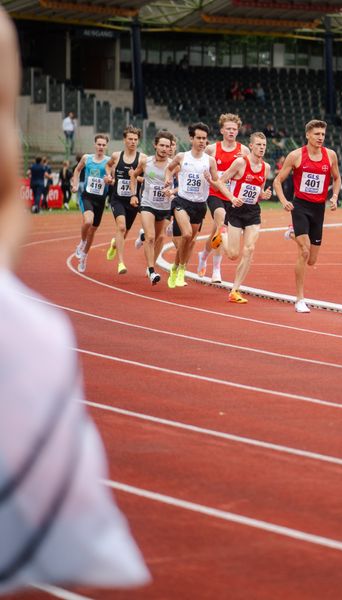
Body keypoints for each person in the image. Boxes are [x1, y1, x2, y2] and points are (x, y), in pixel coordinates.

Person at [0, 6, 150, 594]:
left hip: (122, 205)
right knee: (89, 226)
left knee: (109, 227)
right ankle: (92, 249)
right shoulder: (30, 340)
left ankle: (105, 247)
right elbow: (89, 553)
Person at [273, 119, 341, 313]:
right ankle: (300, 298)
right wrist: (284, 200)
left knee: (312, 260)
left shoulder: (330, 155)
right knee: (303, 252)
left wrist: (334, 196)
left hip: (319, 209)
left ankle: (292, 233)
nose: (320, 138)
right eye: (317, 134)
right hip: (300, 207)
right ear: (308, 135)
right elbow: (278, 181)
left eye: (323, 134)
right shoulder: (295, 156)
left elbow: (337, 178)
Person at [210, 132, 272, 304]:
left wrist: (263, 194)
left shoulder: (266, 167)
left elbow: (258, 190)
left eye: (264, 145)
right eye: (258, 145)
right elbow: (221, 181)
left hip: (253, 212)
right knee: (232, 255)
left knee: (250, 249)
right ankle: (222, 234)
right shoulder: (240, 162)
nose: (262, 148)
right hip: (236, 210)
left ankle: (235, 290)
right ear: (251, 146)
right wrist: (231, 198)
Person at [164, 122, 219, 288]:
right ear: (191, 139)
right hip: (181, 201)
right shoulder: (182, 156)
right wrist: (167, 178)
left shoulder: (210, 161)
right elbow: (169, 168)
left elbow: (217, 184)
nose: (202, 141)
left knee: (189, 241)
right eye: (199, 138)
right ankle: (182, 269)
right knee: (186, 234)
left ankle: (175, 267)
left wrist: (210, 180)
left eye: (204, 138)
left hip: (199, 205)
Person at [197, 113, 250, 283]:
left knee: (215, 233)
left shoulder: (244, 150)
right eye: (228, 129)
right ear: (221, 130)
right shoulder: (212, 149)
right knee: (222, 226)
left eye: (234, 129)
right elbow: (198, 162)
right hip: (214, 194)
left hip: (232, 197)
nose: (231, 131)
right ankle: (217, 270)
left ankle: (203, 255)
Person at [130, 131, 175, 285]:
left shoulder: (174, 165)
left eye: (167, 146)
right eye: (161, 145)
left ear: (170, 149)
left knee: (159, 237)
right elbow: (134, 175)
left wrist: (172, 191)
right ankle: (151, 270)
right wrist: (133, 195)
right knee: (150, 237)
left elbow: (181, 185)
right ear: (155, 145)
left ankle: (150, 260)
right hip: (147, 203)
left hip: (164, 206)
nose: (164, 148)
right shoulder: (145, 162)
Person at [105, 126, 142, 275]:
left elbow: (146, 178)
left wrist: (135, 176)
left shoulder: (142, 159)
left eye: (135, 139)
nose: (133, 142)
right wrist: (109, 176)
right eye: (130, 139)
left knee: (125, 230)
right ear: (124, 140)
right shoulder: (116, 156)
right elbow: (107, 166)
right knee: (121, 227)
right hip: (118, 199)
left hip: (133, 201)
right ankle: (121, 263)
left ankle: (115, 244)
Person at [71, 134, 110, 273]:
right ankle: (82, 242)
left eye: (103, 145)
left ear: (106, 146)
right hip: (87, 196)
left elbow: (113, 178)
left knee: (93, 230)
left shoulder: (109, 161)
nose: (101, 147)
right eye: (99, 144)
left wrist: (109, 180)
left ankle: (84, 257)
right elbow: (77, 169)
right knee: (88, 221)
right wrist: (75, 184)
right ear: (95, 145)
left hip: (100, 199)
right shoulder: (86, 158)